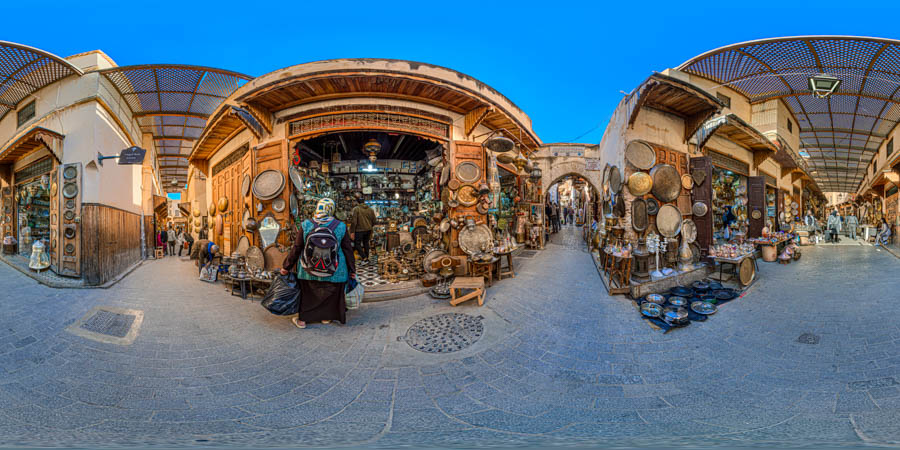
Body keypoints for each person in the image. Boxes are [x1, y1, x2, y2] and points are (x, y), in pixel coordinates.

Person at [281, 198, 356, 329]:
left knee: (308, 294)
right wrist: (352, 270)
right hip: (335, 270)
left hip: (308, 270)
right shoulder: (341, 226)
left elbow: (297, 247)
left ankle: (302, 321)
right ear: (331, 209)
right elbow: (348, 250)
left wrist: (286, 266)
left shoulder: (306, 225)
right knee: (330, 293)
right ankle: (326, 317)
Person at [348, 198, 376, 262]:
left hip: (359, 230)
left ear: (358, 202)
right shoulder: (370, 209)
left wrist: (352, 231)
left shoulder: (356, 209)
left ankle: (364, 257)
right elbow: (374, 221)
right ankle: (366, 257)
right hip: (368, 229)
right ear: (364, 202)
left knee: (357, 244)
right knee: (366, 243)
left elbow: (354, 222)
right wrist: (369, 226)